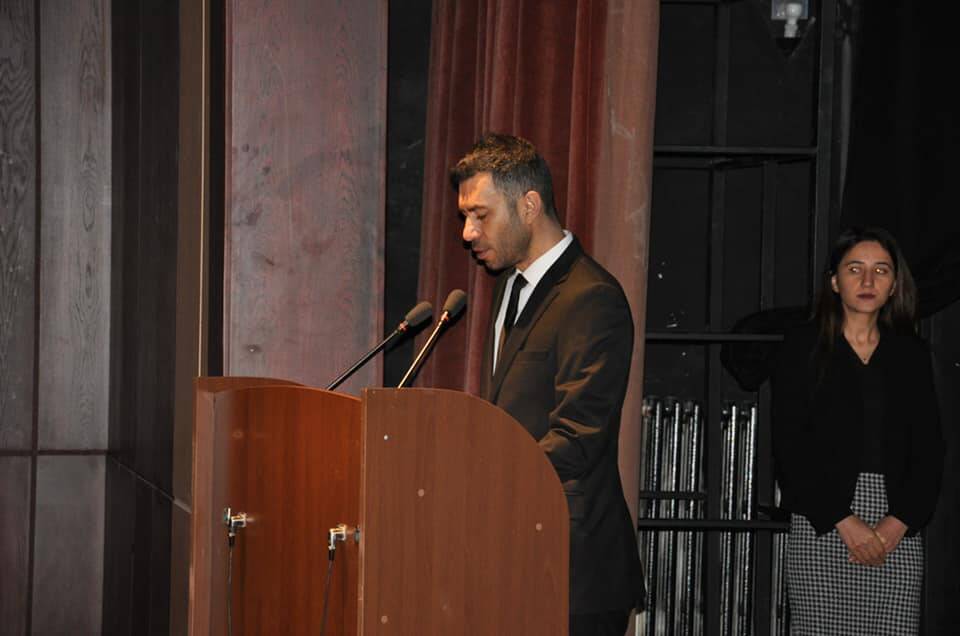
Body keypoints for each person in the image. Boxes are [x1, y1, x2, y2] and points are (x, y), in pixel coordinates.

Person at [451, 133, 644, 635]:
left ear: (530, 205)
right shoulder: (511, 287)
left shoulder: (591, 297)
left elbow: (578, 436)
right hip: (519, 552)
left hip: (572, 566)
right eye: (465, 217)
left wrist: (483, 477)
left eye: (480, 215)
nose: (468, 233)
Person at [771, 226, 944, 634]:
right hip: (822, 520)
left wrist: (897, 523)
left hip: (896, 525)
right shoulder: (802, 347)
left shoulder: (911, 354)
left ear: (894, 285)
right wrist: (843, 520)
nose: (868, 280)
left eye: (881, 270)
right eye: (855, 269)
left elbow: (930, 448)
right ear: (834, 281)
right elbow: (788, 446)